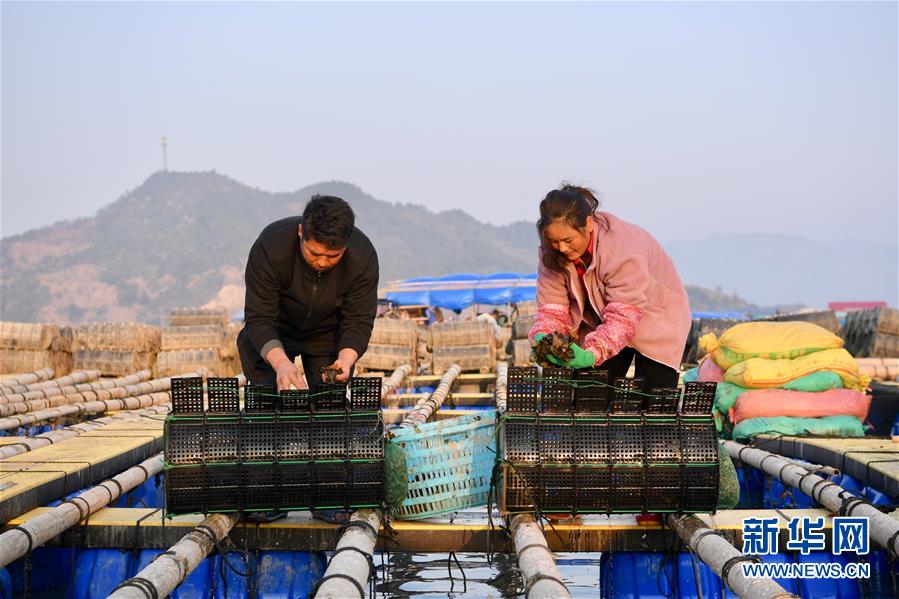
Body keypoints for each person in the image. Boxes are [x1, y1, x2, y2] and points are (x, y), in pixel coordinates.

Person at [529, 184, 691, 391]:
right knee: (588, 394)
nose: (561, 248)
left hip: (656, 320)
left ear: (588, 224)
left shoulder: (621, 249)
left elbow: (623, 317)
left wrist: (593, 353)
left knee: (653, 399)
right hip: (602, 322)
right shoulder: (551, 255)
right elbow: (552, 309)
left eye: (568, 240)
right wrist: (545, 336)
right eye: (553, 241)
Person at [238, 195, 378, 390]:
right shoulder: (270, 247)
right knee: (268, 399)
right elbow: (259, 317)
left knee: (329, 399)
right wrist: (281, 363)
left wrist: (346, 359)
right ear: (301, 231)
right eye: (314, 253)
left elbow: (359, 320)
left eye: (333, 256)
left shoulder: (363, 257)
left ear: (346, 245)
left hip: (328, 334)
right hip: (276, 330)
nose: (322, 262)